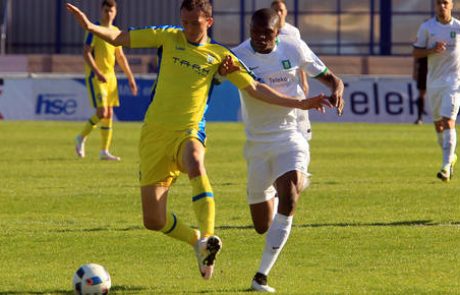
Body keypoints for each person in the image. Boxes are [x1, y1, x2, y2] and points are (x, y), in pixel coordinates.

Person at [66, 0, 335, 280]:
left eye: (195, 22)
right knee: (153, 220)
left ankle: (208, 238)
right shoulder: (168, 36)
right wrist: (89, 26)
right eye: (185, 22)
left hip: (189, 131)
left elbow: (255, 87)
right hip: (154, 136)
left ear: (209, 21)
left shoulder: (220, 56)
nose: (189, 28)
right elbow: (120, 37)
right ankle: (196, 241)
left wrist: (300, 103)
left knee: (196, 162)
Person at [221, 8, 344, 292]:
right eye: (255, 32)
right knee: (262, 225)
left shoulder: (294, 46)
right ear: (249, 28)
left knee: (290, 196)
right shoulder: (238, 56)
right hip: (257, 143)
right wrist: (219, 73)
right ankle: (280, 187)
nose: (260, 37)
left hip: (291, 133)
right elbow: (252, 90)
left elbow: (327, 75)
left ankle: (261, 276)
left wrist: (337, 86)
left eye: (267, 33)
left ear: (279, 32)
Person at [75, 0, 138, 161]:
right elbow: (86, 52)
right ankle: (81, 137)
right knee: (102, 112)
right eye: (105, 10)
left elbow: (121, 57)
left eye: (111, 10)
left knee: (109, 114)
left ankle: (104, 151)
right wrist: (97, 71)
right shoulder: (94, 29)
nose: (108, 13)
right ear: (101, 11)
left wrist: (130, 78)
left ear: (115, 12)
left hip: (111, 77)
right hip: (96, 76)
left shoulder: (116, 31)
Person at [413, 0, 459, 182]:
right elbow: (416, 53)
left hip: (454, 83)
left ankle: (445, 167)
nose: (442, 6)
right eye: (439, 3)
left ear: (452, 5)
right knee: (438, 125)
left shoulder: (458, 27)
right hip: (434, 82)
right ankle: (451, 157)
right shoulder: (427, 27)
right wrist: (432, 50)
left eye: (445, 3)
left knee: (449, 121)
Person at [271, 0, 312, 141]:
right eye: (275, 10)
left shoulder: (293, 32)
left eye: (281, 10)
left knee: (297, 110)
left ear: (286, 12)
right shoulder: (266, 30)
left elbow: (300, 57)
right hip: (273, 77)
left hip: (291, 78)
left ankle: (300, 138)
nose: (278, 13)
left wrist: (304, 81)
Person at [413, 56, 427, 125]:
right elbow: (416, 55)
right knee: (421, 94)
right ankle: (419, 118)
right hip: (423, 70)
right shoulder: (422, 45)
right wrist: (414, 71)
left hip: (435, 71)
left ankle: (442, 117)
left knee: (438, 94)